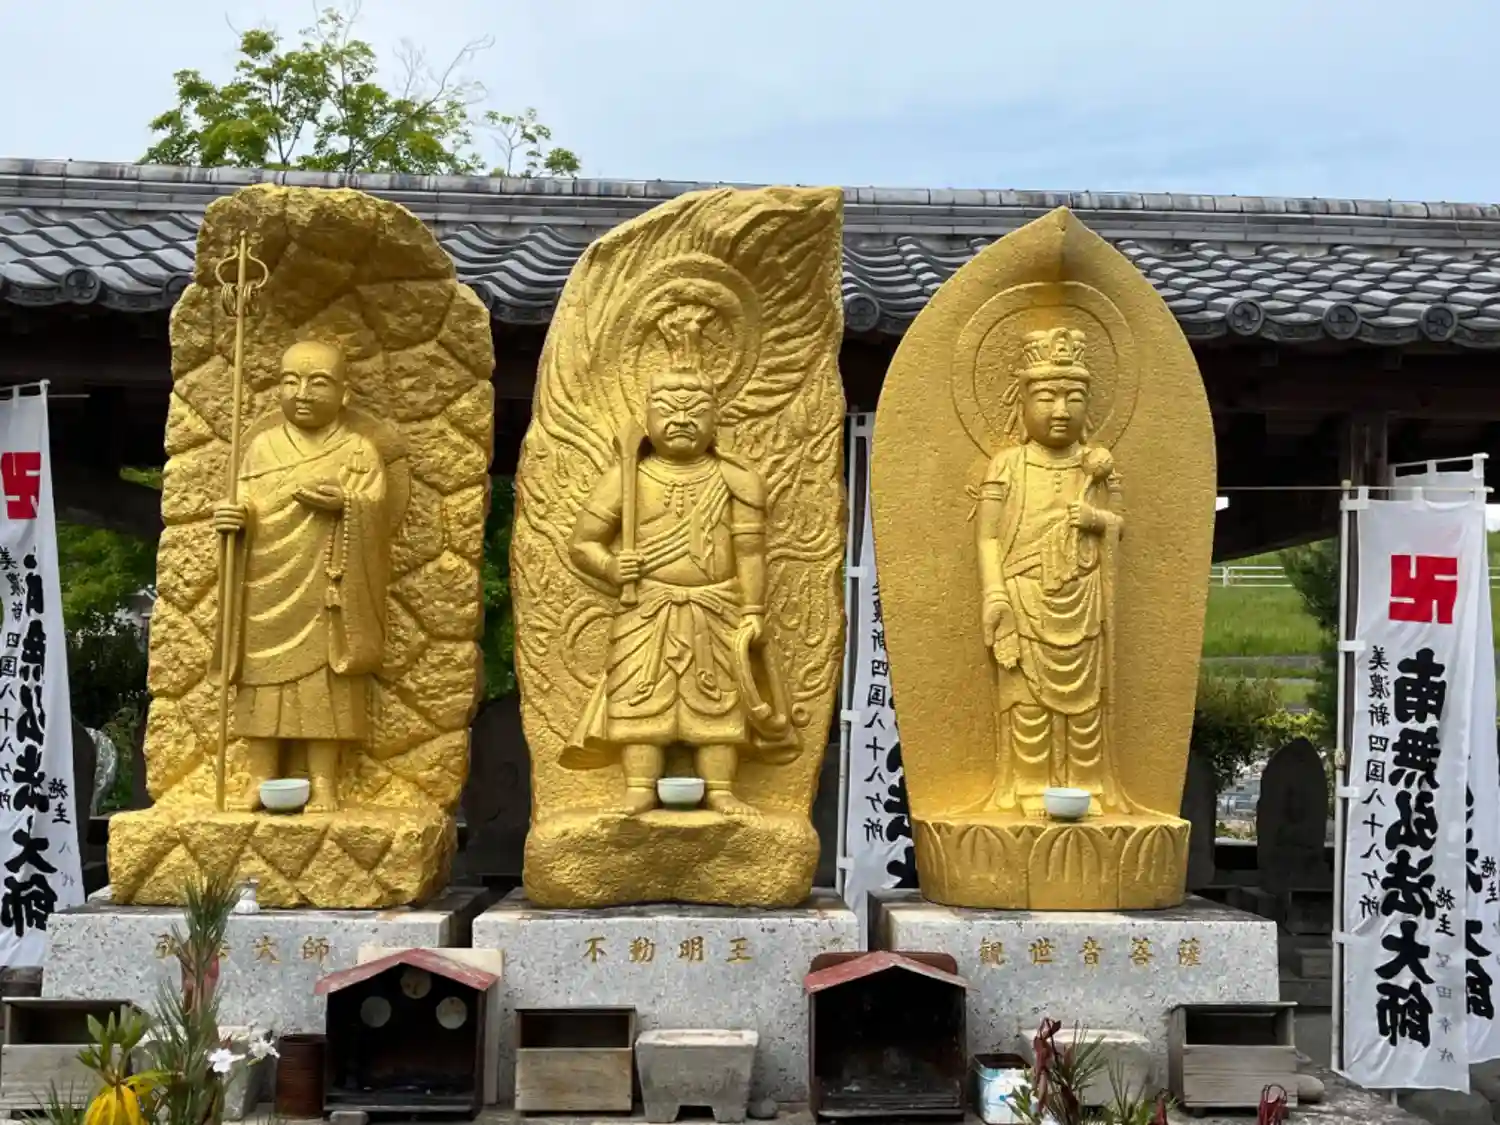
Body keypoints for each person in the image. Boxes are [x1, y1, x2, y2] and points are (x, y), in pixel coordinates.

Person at [561, 308, 791, 815]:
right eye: (667, 409)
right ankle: (639, 787)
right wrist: (611, 566)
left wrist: (754, 611)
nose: (682, 420)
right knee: (639, 698)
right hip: (647, 607)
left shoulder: (735, 479)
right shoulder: (629, 477)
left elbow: (750, 552)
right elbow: (583, 543)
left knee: (720, 703)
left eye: (696, 410)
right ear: (646, 418)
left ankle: (722, 789)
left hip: (717, 606)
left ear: (715, 419)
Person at [211, 340, 392, 812]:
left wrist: (348, 504)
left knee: (325, 685)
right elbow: (247, 502)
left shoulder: (359, 452)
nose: (302, 392)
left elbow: (377, 515)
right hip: (265, 581)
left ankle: (324, 783)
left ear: (344, 394)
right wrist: (236, 518)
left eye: (318, 382)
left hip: (328, 586)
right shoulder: (261, 447)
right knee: (260, 684)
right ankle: (259, 778)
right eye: (290, 381)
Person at [975, 326, 1128, 816]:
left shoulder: (1098, 468)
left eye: (1073, 399)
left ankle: (1086, 785)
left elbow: (1118, 524)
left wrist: (1096, 519)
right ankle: (1027, 786)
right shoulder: (1008, 465)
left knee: (1085, 705)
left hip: (1082, 596)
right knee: (1027, 705)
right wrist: (995, 595)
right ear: (1022, 404)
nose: (1060, 411)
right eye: (1046, 398)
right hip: (1024, 595)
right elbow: (987, 537)